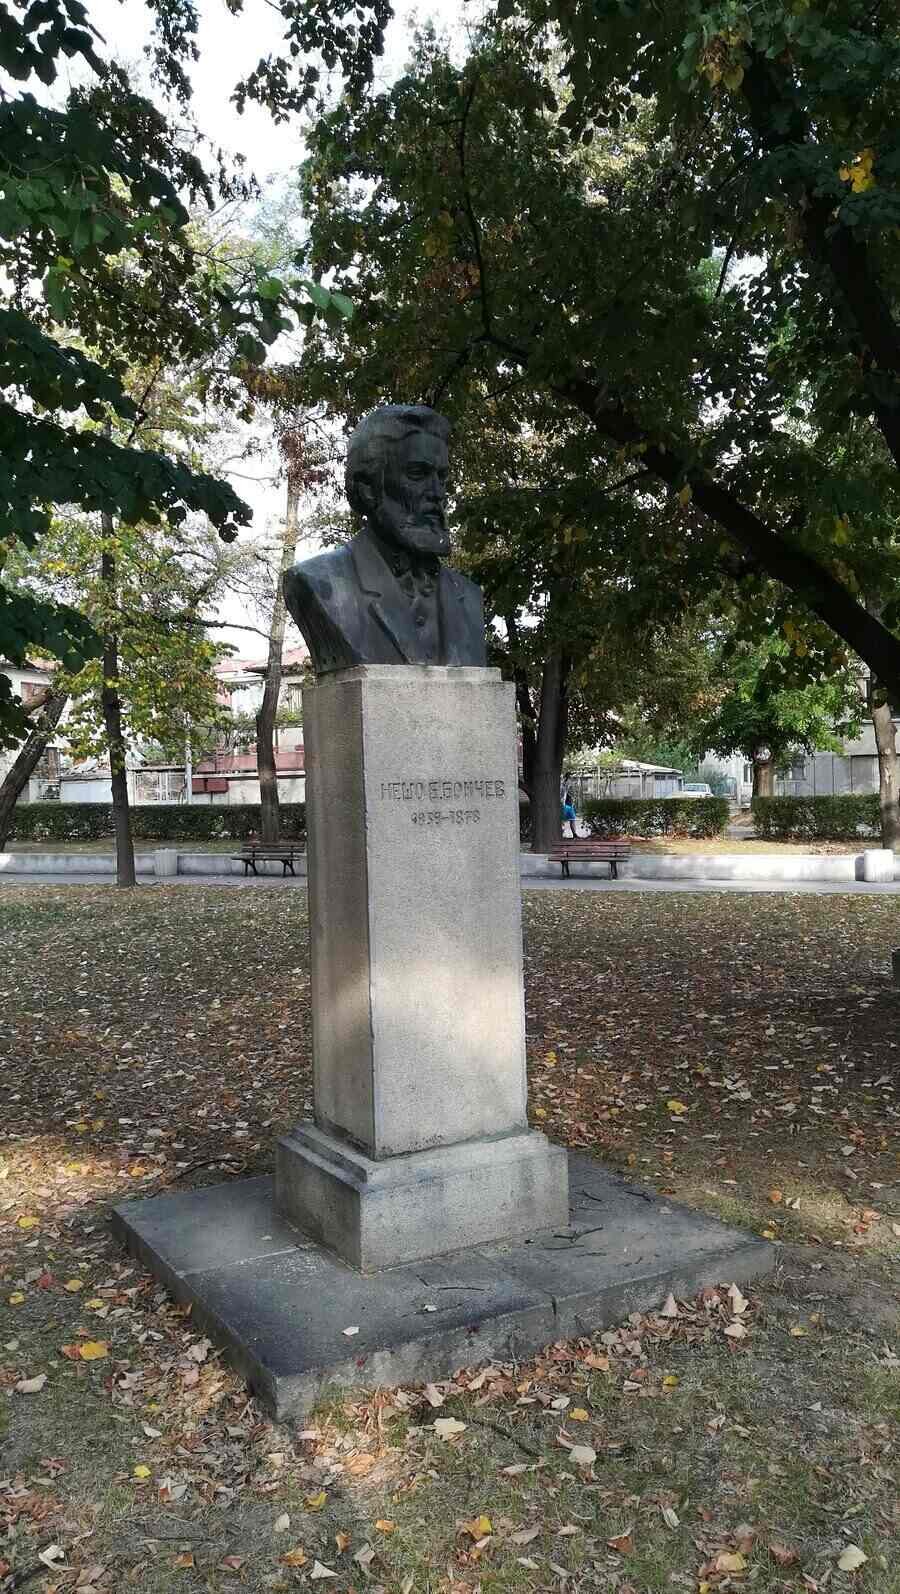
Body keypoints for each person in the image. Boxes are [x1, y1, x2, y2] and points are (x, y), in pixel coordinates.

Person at [283, 405, 487, 676]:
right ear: (367, 488)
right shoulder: (318, 580)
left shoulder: (469, 595)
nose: (438, 493)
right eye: (418, 474)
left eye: (441, 477)